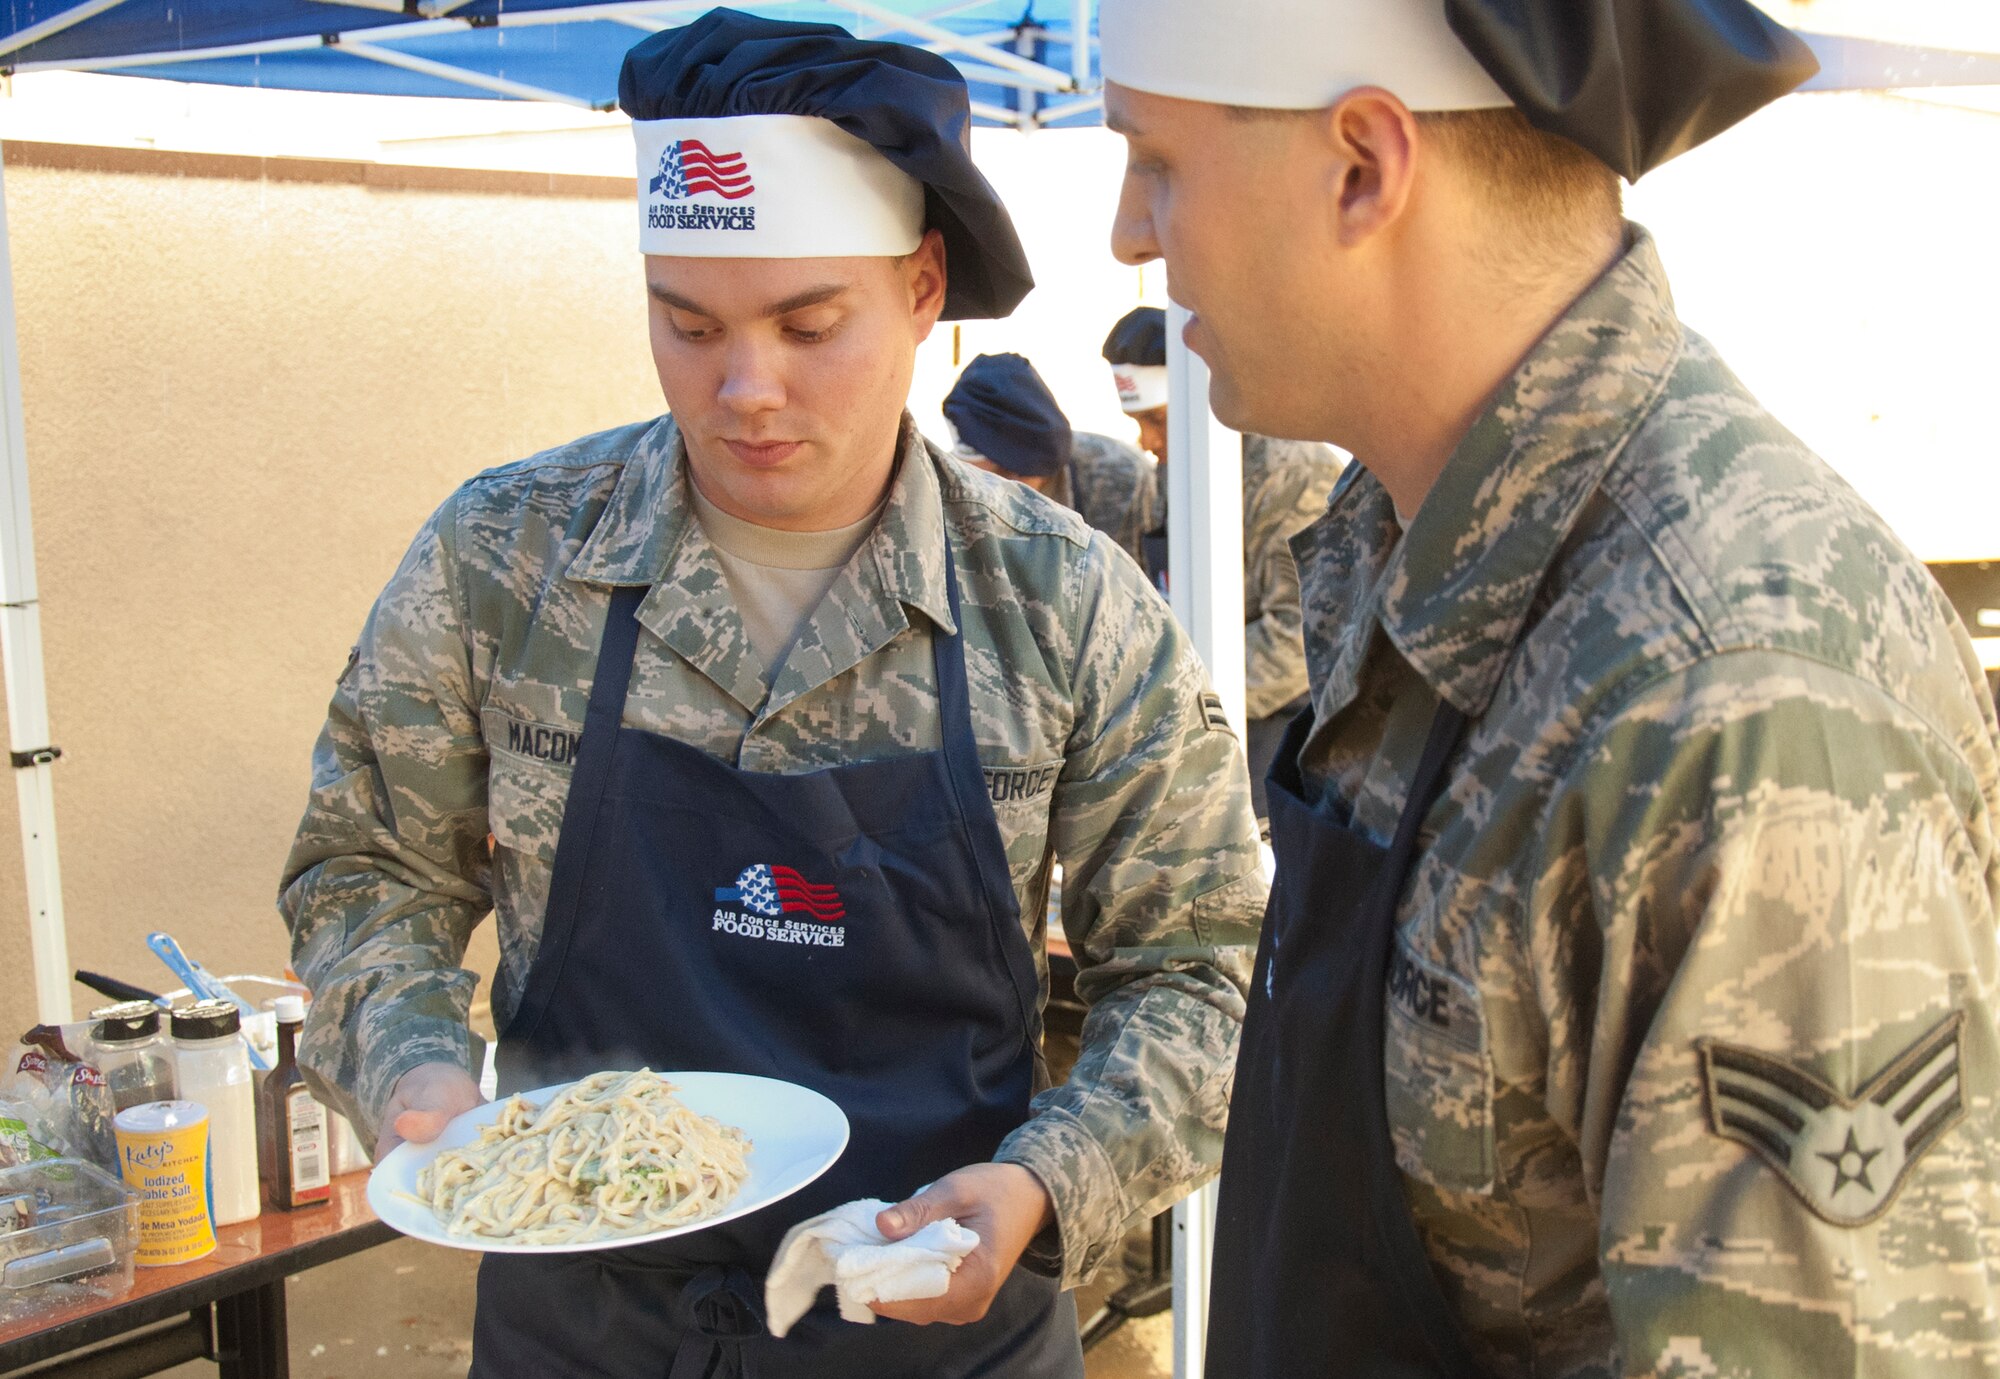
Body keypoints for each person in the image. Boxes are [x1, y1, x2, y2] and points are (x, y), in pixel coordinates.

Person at [277, 11, 1265, 1377]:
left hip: (938, 1322)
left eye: (810, 324)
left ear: (924, 289)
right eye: (686, 324)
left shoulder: (1063, 605)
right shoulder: (508, 559)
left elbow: (1202, 964)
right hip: (585, 1327)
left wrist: (1052, 1177)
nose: (746, 389)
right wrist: (416, 1069)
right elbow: (364, 872)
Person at [1099, 0, 2000, 1376]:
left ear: (1363, 168)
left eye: (1156, 160)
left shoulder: (1727, 705)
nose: (1128, 231)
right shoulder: (1414, 526)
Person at [1103, 305, 1342, 818]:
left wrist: (1177, 696)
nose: (1147, 442)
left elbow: (1297, 642)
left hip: (1282, 726)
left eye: (1157, 420)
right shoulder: (1172, 469)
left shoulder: (1294, 472)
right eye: (1137, 422)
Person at [942, 351, 1159, 569]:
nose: (1004, 489)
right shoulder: (953, 489)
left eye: (1013, 473)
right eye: (990, 479)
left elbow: (1138, 586)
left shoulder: (1119, 476)